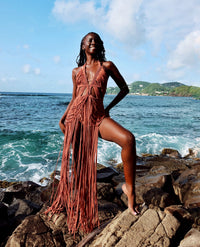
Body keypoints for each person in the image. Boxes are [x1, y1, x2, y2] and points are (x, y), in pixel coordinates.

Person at [45, 32, 139, 234]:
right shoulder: (76, 71)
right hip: (76, 119)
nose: (92, 42)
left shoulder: (107, 66)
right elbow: (74, 98)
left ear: (100, 45)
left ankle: (130, 190)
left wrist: (108, 107)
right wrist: (63, 117)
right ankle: (79, 205)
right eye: (89, 40)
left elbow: (124, 89)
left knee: (128, 140)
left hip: (98, 118)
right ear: (82, 46)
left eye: (95, 39)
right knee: (80, 167)